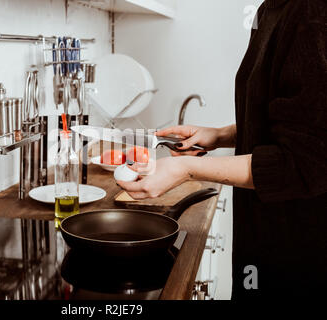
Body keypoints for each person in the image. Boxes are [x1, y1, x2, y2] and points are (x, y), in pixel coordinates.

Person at [116, 0, 326, 299]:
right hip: (262, 233)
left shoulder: (313, 12)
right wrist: (220, 134)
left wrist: (187, 168)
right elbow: (293, 119)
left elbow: (305, 161)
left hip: (301, 250)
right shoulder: (272, 9)